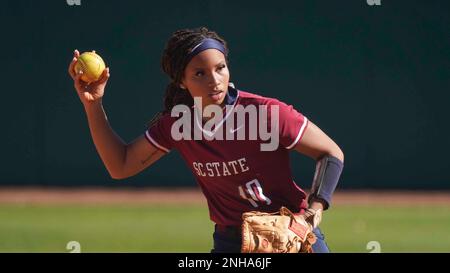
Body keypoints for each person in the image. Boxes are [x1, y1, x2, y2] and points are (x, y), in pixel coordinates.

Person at [68, 27, 344, 253]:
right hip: (231, 243)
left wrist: (313, 211)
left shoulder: (266, 113)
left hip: (293, 236)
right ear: (181, 82)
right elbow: (121, 165)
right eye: (200, 73)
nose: (215, 80)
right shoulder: (177, 124)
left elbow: (331, 154)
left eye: (221, 68)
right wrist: (93, 105)